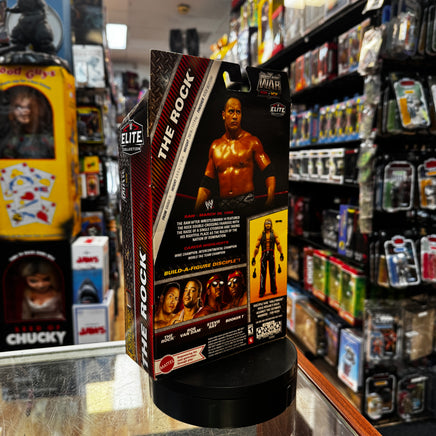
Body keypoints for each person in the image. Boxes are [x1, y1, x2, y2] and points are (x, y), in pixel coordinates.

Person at [195, 97, 276, 212]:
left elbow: (269, 171)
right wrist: (196, 209)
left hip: (246, 202)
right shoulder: (215, 146)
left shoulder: (252, 142)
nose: (234, 116)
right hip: (223, 205)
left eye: (238, 112)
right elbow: (206, 184)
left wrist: (270, 198)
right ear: (224, 115)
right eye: (231, 111)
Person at [0, 86, 54, 158]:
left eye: (29, 106)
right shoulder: (12, 139)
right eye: (18, 107)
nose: (25, 111)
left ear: (40, 109)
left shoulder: (47, 138)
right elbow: (7, 156)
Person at [252, 218, 284, 297]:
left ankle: (273, 289)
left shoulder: (274, 233)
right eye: (266, 223)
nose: (268, 225)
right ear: (264, 225)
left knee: (272, 272)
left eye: (269, 223)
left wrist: (281, 253)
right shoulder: (261, 234)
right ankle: (262, 291)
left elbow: (278, 244)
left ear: (271, 224)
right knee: (263, 273)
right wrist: (254, 257)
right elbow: (256, 247)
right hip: (263, 254)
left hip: (271, 254)